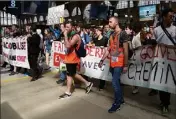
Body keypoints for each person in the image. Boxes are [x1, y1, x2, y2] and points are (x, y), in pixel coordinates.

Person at [98, 17, 129, 113]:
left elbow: (126, 50)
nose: (109, 23)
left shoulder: (123, 33)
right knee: (117, 82)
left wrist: (125, 64)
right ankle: (121, 99)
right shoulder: (111, 34)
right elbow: (109, 49)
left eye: (111, 22)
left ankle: (117, 103)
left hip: (119, 63)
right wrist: (102, 60)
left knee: (115, 83)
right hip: (112, 63)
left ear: (116, 22)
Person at [59, 21, 93, 99]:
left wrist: (65, 36)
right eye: (66, 27)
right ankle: (88, 83)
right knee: (72, 74)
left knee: (69, 75)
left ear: (72, 27)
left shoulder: (75, 36)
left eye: (68, 27)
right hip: (69, 58)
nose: (66, 29)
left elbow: (68, 46)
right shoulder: (69, 34)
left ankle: (68, 92)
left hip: (73, 59)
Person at [153, 8, 176, 114]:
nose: (172, 18)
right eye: (170, 16)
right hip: (160, 61)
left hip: (172, 61)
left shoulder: (175, 29)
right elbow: (153, 46)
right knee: (161, 82)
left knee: (169, 82)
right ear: (164, 17)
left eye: (173, 16)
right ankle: (164, 101)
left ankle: (166, 103)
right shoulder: (157, 30)